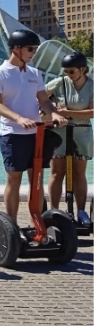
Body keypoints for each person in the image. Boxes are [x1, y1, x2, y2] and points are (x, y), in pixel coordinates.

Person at [0, 29, 66, 223]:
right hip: (12, 134)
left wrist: (54, 113)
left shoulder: (35, 73)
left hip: (36, 133)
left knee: (36, 180)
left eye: (35, 49)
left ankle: (37, 224)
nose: (34, 53)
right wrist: (19, 119)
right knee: (14, 180)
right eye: (30, 49)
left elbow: (43, 101)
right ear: (16, 49)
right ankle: (11, 226)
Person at [45, 50, 95, 222]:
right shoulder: (59, 83)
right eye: (65, 71)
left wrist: (66, 112)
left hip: (82, 132)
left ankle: (81, 212)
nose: (68, 74)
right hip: (59, 132)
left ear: (82, 69)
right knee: (56, 172)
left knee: (79, 173)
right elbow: (40, 98)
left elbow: (93, 112)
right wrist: (52, 106)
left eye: (71, 71)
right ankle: (54, 212)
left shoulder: (92, 86)